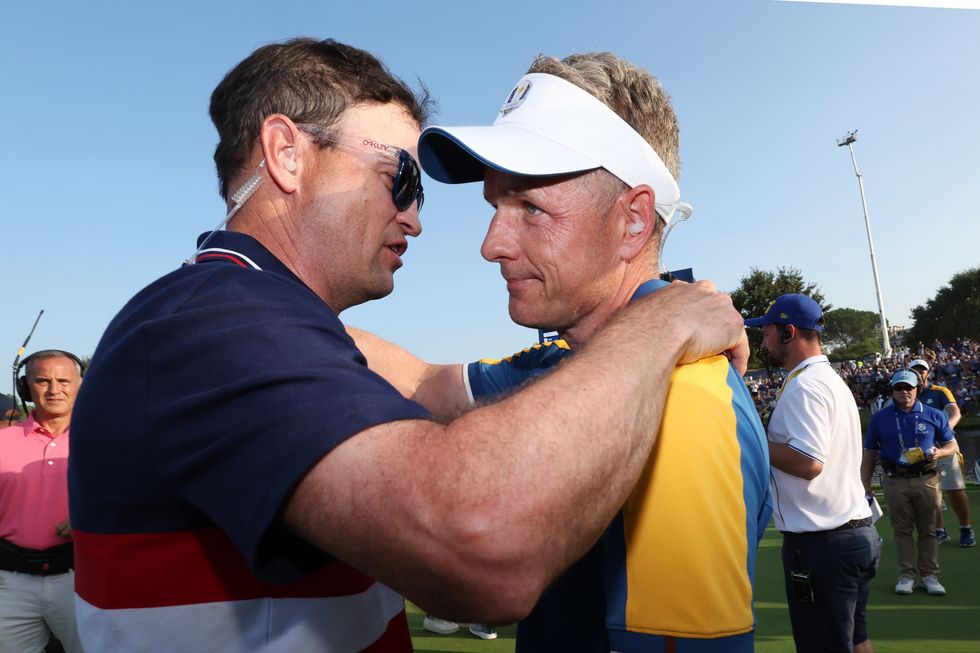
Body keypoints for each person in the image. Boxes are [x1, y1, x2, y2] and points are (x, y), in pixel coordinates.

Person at [68, 38, 749, 652]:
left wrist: (668, 322)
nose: (470, 239)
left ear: (632, 221)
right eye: (399, 177)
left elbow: (424, 381)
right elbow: (477, 531)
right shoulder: (215, 325)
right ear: (286, 154)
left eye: (531, 207)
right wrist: (666, 322)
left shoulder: (653, 390)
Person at [353, 51, 772, 652]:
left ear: (632, 221)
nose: (491, 244)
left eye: (531, 208)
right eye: (497, 207)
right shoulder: (567, 367)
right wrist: (244, 286)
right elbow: (421, 382)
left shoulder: (684, 404)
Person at [744, 294, 879, 653]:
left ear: (789, 332)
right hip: (845, 534)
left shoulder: (807, 385)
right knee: (855, 641)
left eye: (768, 332)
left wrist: (746, 438)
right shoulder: (822, 379)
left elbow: (808, 463)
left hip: (824, 542)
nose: (763, 340)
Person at [0, 350, 84, 653]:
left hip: (82, 579)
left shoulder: (107, 441)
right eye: (42, 380)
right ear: (26, 387)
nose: (54, 389)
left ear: (80, 385)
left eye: (63, 380)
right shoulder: (1, 443)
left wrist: (91, 520)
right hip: (10, 584)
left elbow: (136, 501)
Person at [862, 370, 957, 596]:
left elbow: (951, 445)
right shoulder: (880, 418)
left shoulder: (934, 414)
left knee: (928, 530)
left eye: (909, 387)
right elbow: (870, 452)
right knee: (902, 530)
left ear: (917, 389)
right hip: (895, 479)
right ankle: (906, 576)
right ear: (892, 390)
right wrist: (864, 483)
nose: (904, 392)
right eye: (899, 388)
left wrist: (939, 452)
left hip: (927, 478)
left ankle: (929, 575)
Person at [908, 358, 974, 547]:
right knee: (930, 493)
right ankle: (939, 531)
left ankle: (965, 528)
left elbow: (955, 412)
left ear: (928, 373)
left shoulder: (940, 392)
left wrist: (945, 429)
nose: (919, 373)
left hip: (944, 447)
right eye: (915, 370)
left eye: (922, 370)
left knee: (955, 490)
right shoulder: (907, 392)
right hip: (920, 451)